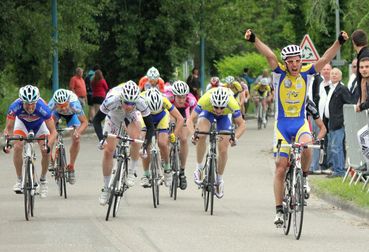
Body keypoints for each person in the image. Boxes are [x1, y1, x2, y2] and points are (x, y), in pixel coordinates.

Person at [244, 28, 349, 226]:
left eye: (297, 61)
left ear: (301, 61)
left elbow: (326, 57)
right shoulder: (278, 72)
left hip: (300, 123)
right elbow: (269, 54)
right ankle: (278, 210)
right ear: (286, 62)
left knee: (307, 145)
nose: (294, 65)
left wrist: (339, 42)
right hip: (282, 125)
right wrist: (254, 39)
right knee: (280, 167)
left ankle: (305, 178)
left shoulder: (308, 72)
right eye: (290, 61)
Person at [93, 81, 155, 205]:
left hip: (131, 117)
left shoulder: (141, 103)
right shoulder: (112, 100)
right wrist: (101, 139)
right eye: (126, 102)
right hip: (114, 115)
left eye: (132, 103)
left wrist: (144, 146)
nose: (129, 106)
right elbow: (96, 120)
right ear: (122, 98)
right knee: (108, 151)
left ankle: (131, 171)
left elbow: (150, 126)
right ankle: (106, 188)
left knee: (136, 137)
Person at [189, 87, 246, 198]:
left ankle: (219, 180)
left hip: (225, 118)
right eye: (216, 107)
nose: (219, 110)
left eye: (221, 107)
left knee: (224, 148)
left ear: (226, 104)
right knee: (201, 134)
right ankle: (199, 168)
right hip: (207, 113)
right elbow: (190, 119)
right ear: (212, 103)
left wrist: (235, 138)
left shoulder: (232, 104)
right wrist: (193, 134)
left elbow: (242, 125)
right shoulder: (205, 100)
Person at [3, 85, 57, 198]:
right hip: (22, 124)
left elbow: (53, 132)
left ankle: (43, 180)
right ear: (22, 102)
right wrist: (7, 142)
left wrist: (48, 145)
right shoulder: (15, 107)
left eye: (33, 103)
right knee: (18, 146)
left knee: (46, 151)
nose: (30, 106)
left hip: (40, 125)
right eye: (27, 103)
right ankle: (19, 180)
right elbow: (8, 129)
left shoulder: (43, 108)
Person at [140, 88, 184, 188]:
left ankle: (168, 169)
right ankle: (146, 174)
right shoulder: (140, 100)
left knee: (163, 143)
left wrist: (174, 134)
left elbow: (180, 119)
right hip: (145, 117)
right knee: (145, 144)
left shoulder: (164, 100)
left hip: (162, 118)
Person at [48, 89, 88, 184]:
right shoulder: (51, 105)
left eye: (65, 105)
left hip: (72, 115)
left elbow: (85, 122)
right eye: (60, 106)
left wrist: (78, 132)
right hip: (56, 114)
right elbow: (45, 120)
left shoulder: (75, 105)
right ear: (56, 104)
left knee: (76, 139)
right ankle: (50, 159)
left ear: (69, 101)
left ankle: (71, 167)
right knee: (51, 132)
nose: (64, 109)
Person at [164, 80, 198, 189]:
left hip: (184, 113)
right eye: (179, 97)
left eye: (183, 97)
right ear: (173, 95)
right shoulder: (167, 97)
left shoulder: (191, 100)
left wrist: (193, 128)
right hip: (170, 112)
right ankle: (165, 159)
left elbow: (192, 117)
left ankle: (182, 172)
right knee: (168, 133)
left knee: (183, 139)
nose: (182, 100)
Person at [324, 68, 355, 177]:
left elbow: (349, 103)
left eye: (336, 74)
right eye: (332, 73)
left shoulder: (342, 89)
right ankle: (335, 168)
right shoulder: (331, 88)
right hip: (330, 122)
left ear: (340, 77)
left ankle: (339, 171)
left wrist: (342, 119)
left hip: (338, 123)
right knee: (333, 147)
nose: (333, 75)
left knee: (337, 147)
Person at [352, 29, 369, 107]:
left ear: (354, 43)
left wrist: (362, 104)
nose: (364, 69)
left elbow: (364, 82)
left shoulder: (364, 57)